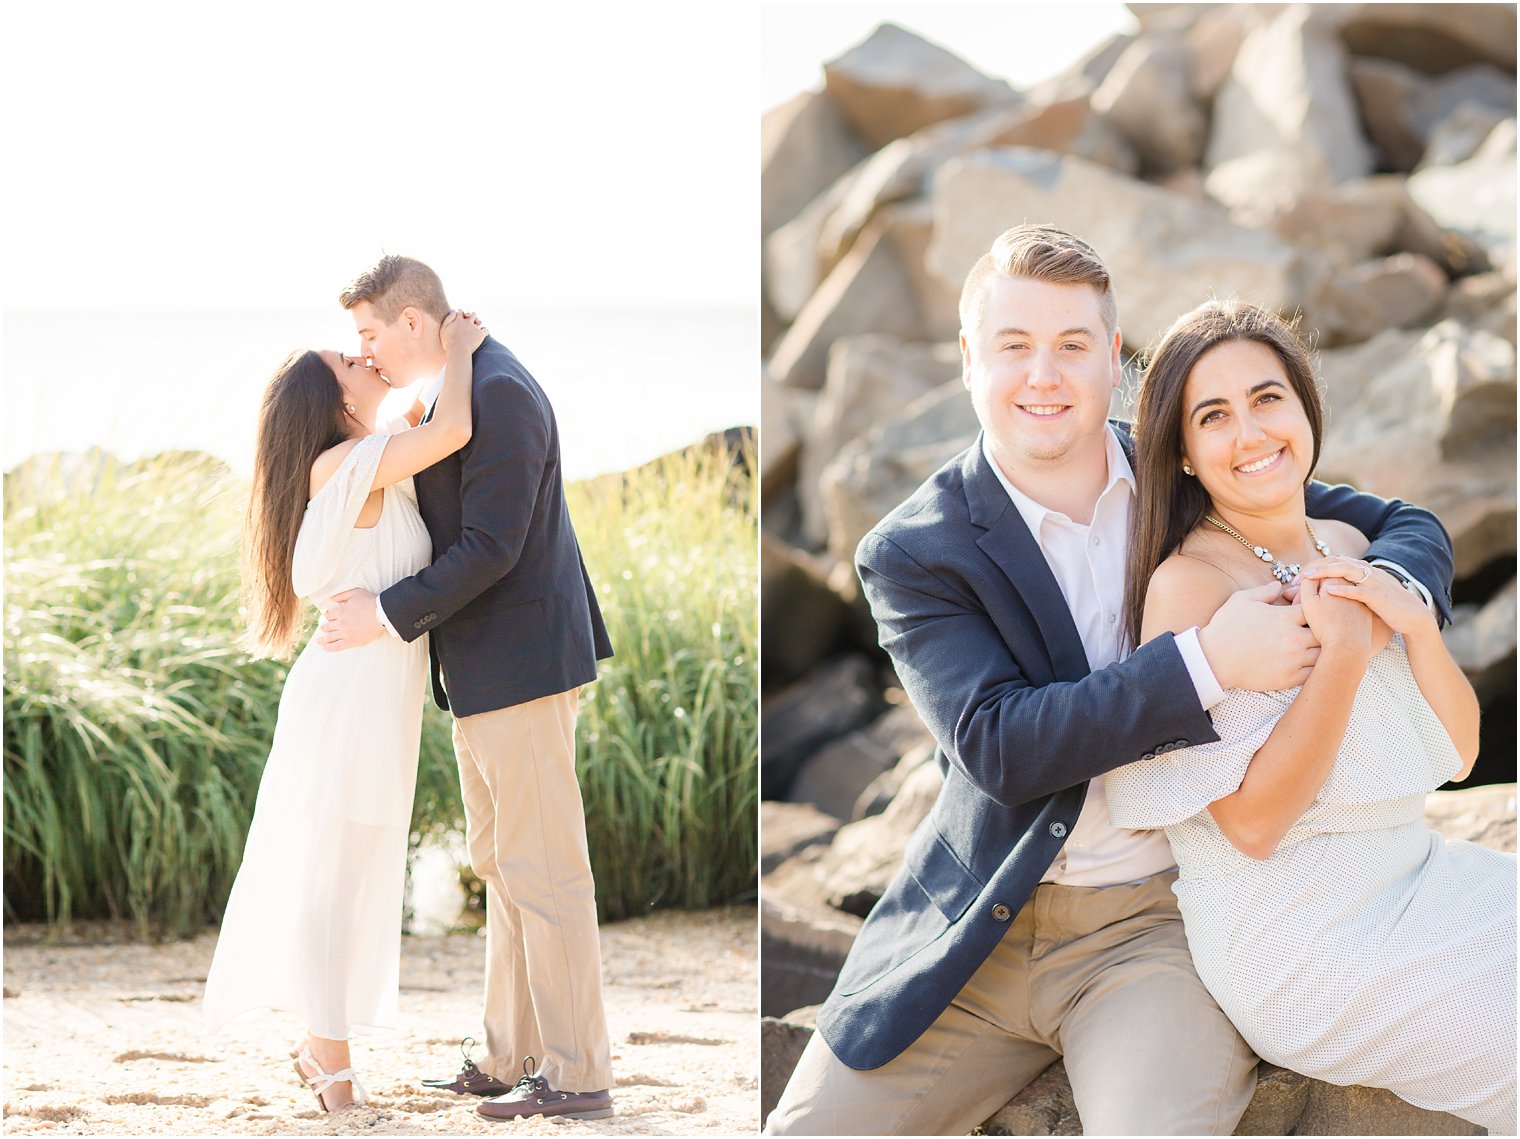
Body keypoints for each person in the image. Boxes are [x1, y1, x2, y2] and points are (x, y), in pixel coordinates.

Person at [765, 225, 1455, 1136]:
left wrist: (1375, 604)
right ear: (969, 358)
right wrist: (1207, 662)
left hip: (1152, 928)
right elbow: (1003, 747)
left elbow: (1406, 523)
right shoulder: (912, 550)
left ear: (1115, 360)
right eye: (1013, 346)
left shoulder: (1188, 473)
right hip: (977, 934)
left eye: (1072, 345)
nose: (1042, 375)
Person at [1104, 298, 1515, 1134]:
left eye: (1267, 398)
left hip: (1418, 872)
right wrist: (1343, 658)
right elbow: (1251, 826)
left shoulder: (1349, 543)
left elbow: (1466, 750)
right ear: (1182, 453)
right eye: (1212, 416)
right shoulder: (1191, 587)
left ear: (1304, 408)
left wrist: (1407, 624)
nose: (1250, 433)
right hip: (1304, 940)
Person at [317, 255, 616, 1124]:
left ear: (415, 323)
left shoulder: (503, 390)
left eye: (369, 333)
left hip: (521, 663)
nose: (362, 351)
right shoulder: (463, 384)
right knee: (502, 863)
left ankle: (576, 1071)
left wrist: (384, 613)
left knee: (546, 870)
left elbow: (493, 545)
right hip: (486, 669)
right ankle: (507, 1053)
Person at [203, 310, 488, 1112]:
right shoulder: (354, 462)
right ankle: (326, 1055)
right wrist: (459, 349)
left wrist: (408, 363)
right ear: (331, 404)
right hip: (350, 699)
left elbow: (416, 415)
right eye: (349, 359)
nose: (366, 355)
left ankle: (320, 1041)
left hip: (368, 693)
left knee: (354, 873)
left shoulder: (362, 459)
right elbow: (457, 424)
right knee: (335, 877)